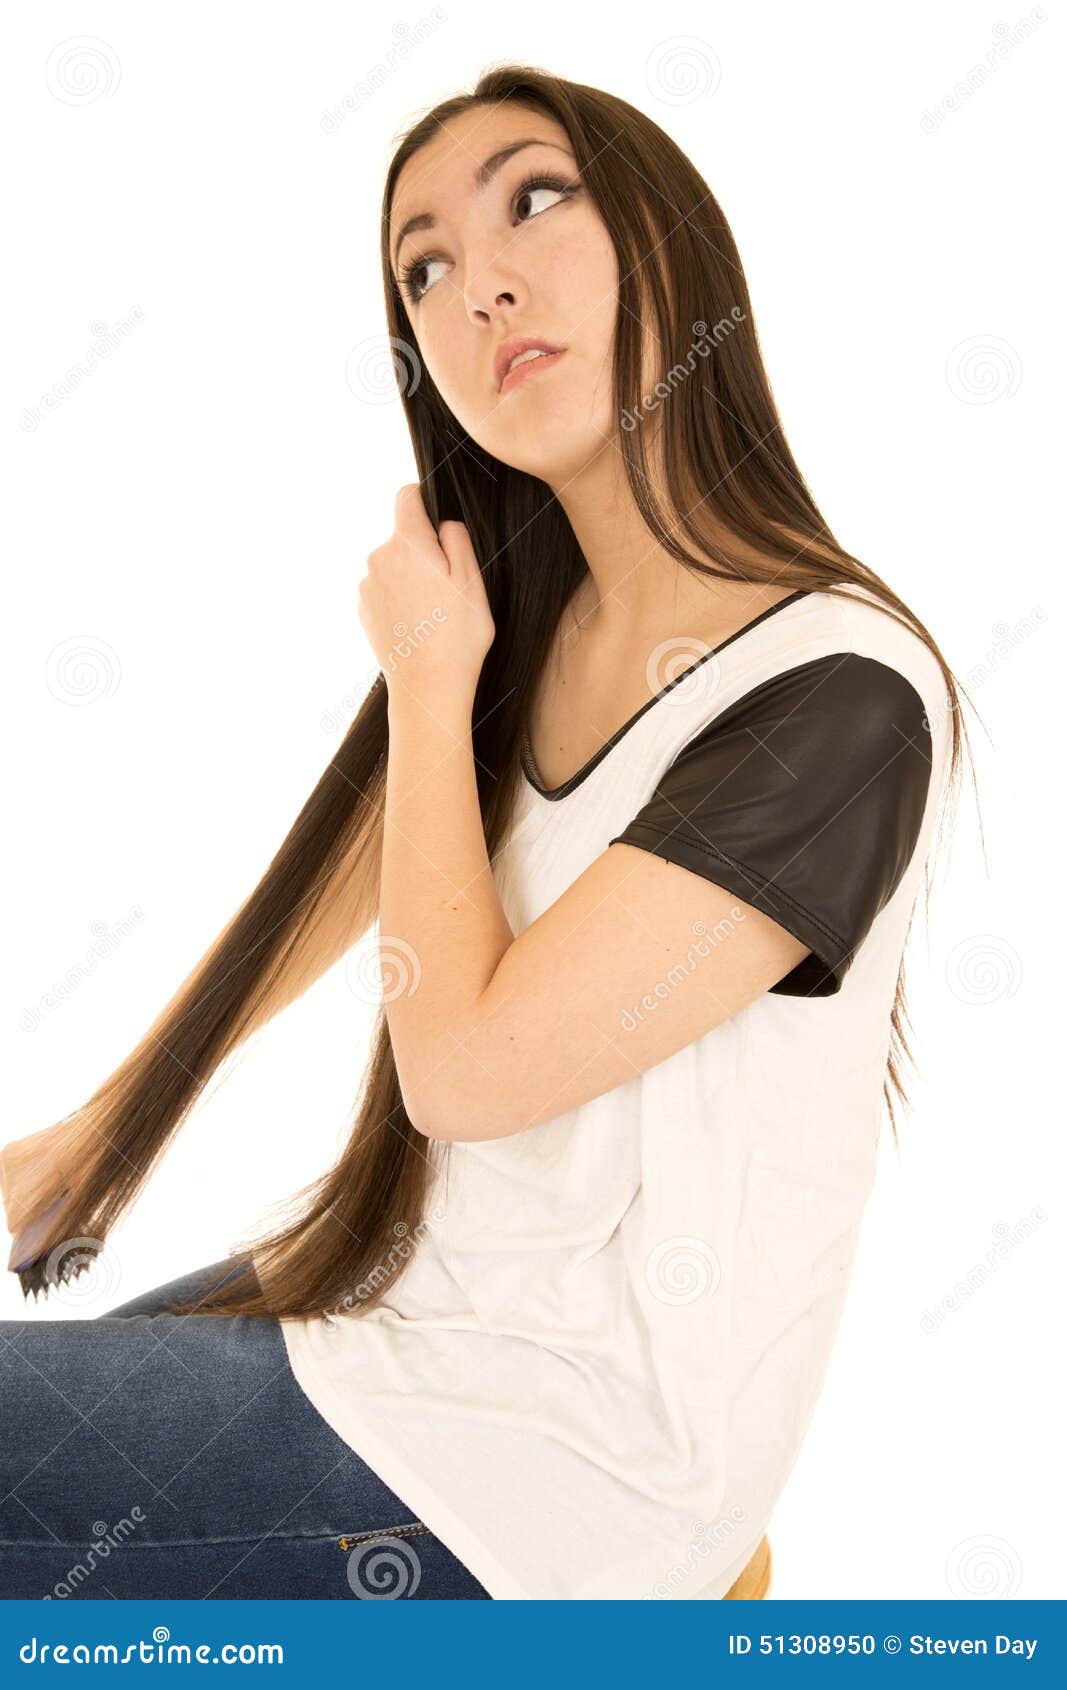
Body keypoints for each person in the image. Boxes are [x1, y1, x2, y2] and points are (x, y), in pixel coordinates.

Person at [0, 63, 975, 1600]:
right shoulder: (534, 624)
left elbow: (455, 1068)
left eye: (535, 197)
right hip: (397, 1325)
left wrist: (428, 675)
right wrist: (105, 1137)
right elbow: (365, 862)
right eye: (425, 269)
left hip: (547, 1475)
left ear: (671, 241)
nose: (482, 287)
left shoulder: (843, 700)